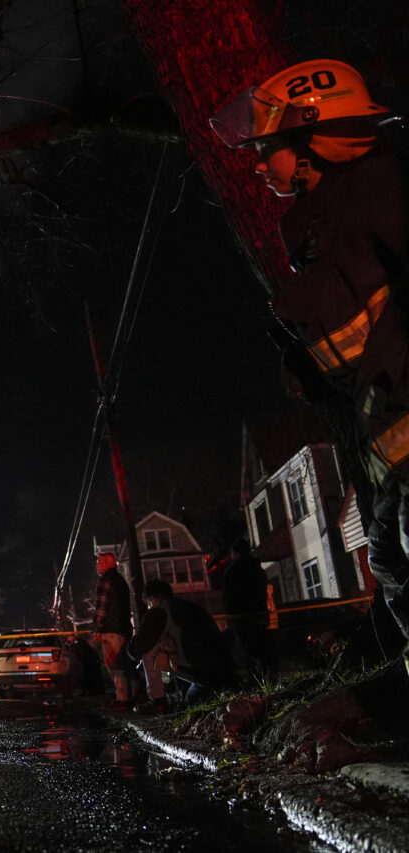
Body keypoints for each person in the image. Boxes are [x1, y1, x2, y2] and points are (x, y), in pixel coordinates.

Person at [211, 59, 409, 674]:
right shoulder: (330, 216)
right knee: (388, 557)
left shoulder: (384, 192)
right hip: (390, 438)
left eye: (267, 146)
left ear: (310, 135)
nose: (258, 161)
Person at [127, 580, 236, 707]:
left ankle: (157, 700)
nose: (149, 608)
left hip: (203, 674)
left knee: (149, 648)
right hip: (222, 669)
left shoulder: (160, 611)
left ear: (153, 599)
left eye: (148, 604)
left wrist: (129, 655)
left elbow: (139, 646)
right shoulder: (190, 607)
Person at [222, 538, 277, 682]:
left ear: (235, 552)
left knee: (248, 653)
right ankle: (269, 679)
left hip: (242, 618)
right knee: (263, 650)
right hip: (260, 615)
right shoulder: (258, 569)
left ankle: (256, 682)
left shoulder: (232, 571)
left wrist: (231, 619)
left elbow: (229, 597)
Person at [91, 552, 133, 708]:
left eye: (99, 562)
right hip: (124, 628)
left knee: (115, 666)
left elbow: (101, 609)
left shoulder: (105, 580)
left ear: (107, 563)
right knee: (125, 665)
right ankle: (131, 696)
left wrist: (97, 629)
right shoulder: (121, 581)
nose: (97, 565)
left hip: (111, 630)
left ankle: (123, 700)